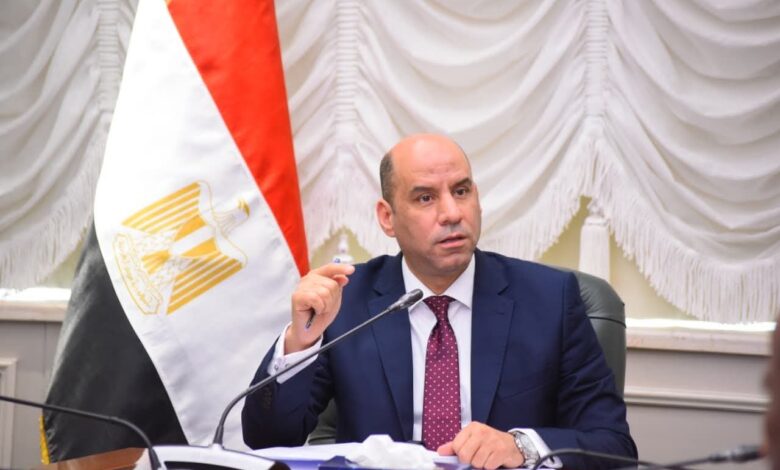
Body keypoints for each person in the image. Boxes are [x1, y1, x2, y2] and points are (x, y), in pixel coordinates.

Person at [242, 134, 637, 469]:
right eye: (425, 198)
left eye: (461, 191)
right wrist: (300, 342)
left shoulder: (550, 299)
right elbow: (267, 439)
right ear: (387, 217)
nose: (451, 213)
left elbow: (613, 446)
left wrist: (521, 446)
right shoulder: (348, 301)